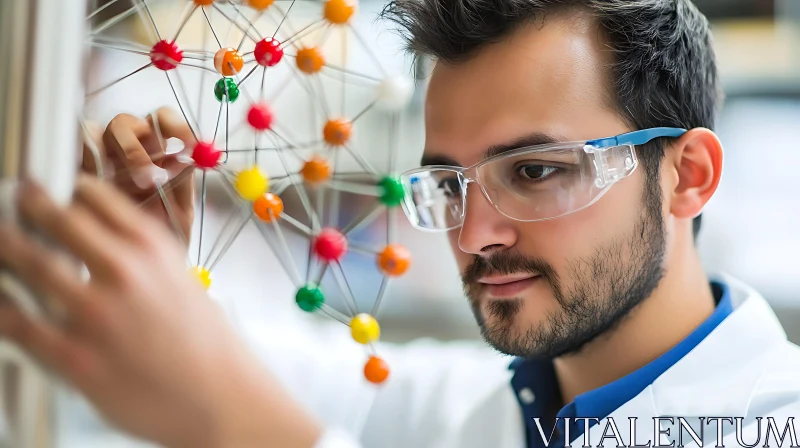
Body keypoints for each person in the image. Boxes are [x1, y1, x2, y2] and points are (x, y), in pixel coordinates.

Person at [1, 0, 799, 447]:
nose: (475, 232)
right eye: (448, 182)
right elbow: (253, 371)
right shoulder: (492, 405)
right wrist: (147, 272)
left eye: (534, 171)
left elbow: (240, 404)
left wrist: (241, 428)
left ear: (686, 177)